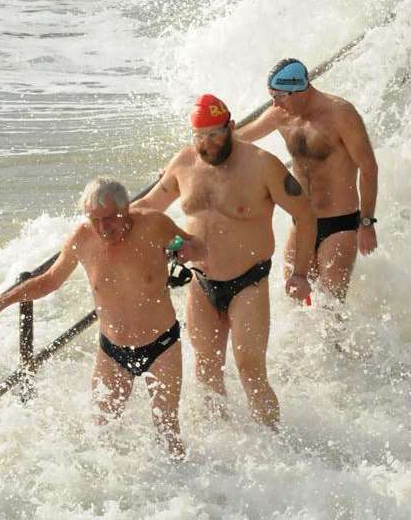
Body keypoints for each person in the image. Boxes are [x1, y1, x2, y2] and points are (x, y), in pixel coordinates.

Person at [0, 177, 206, 459]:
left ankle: (183, 492)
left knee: (167, 427)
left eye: (109, 218)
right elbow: (49, 281)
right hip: (112, 351)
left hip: (162, 345)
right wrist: (0, 302)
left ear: (126, 210)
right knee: (102, 431)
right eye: (95, 219)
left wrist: (187, 250)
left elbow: (195, 246)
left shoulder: (155, 224)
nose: (102, 228)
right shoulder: (82, 238)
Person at [133, 95, 316, 429]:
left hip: (249, 281)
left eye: (215, 134)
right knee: (206, 369)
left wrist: (300, 273)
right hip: (201, 282)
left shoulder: (263, 164)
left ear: (231, 127)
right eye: (200, 137)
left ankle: (274, 441)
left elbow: (305, 215)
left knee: (249, 368)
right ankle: (223, 442)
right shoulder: (184, 163)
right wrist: (104, 223)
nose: (208, 144)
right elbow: (148, 205)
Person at [237, 58, 378, 301]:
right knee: (294, 298)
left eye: (279, 96)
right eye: (272, 95)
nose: (274, 103)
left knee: (331, 304)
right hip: (302, 220)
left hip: (339, 223)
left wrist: (366, 222)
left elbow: (368, 168)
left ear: (299, 90)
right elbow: (238, 139)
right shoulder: (280, 115)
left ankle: (339, 341)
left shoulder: (340, 114)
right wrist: (187, 158)